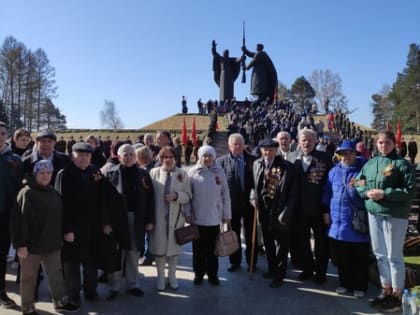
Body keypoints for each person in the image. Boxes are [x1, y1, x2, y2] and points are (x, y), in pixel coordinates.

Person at [356, 131, 416, 312]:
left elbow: (409, 191)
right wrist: (366, 192)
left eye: (387, 143)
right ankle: (386, 289)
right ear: (376, 144)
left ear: (394, 144)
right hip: (374, 213)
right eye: (380, 143)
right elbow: (359, 182)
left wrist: (385, 194)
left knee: (394, 256)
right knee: (380, 254)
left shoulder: (401, 164)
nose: (383, 146)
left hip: (394, 215)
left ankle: (397, 294)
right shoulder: (370, 163)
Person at [12, 160, 79, 314]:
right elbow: (19, 221)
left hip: (52, 244)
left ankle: (60, 302)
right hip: (31, 246)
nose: (45, 176)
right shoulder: (26, 193)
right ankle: (27, 307)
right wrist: (20, 244)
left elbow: (60, 215)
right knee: (29, 278)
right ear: (35, 173)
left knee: (56, 275)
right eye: (42, 172)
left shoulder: (52, 191)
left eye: (48, 173)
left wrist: (66, 232)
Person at [54, 142, 108, 306]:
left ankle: (90, 290)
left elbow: (103, 198)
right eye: (80, 155)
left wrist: (105, 222)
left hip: (93, 227)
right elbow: (61, 204)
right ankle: (73, 294)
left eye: (87, 155)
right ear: (72, 156)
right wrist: (67, 229)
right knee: (72, 265)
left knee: (91, 262)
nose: (84, 158)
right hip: (73, 228)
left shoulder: (95, 171)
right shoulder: (65, 174)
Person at [101, 144, 155, 300]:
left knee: (133, 252)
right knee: (117, 253)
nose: (129, 157)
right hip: (116, 220)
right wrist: (106, 222)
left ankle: (133, 284)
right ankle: (114, 287)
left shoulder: (143, 174)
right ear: (119, 156)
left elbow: (150, 200)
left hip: (136, 219)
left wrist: (149, 220)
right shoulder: (110, 174)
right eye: (126, 154)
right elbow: (103, 201)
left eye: (132, 154)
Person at [322, 141, 370, 298]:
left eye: (349, 153)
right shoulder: (333, 172)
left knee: (359, 257)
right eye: (342, 153)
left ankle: (360, 286)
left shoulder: (363, 171)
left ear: (355, 154)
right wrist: (325, 211)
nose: (346, 156)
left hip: (356, 221)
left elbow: (364, 194)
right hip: (337, 222)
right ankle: (345, 283)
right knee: (342, 256)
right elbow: (327, 192)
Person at [250, 139, 298, 288]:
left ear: (276, 150)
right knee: (268, 242)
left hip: (279, 210)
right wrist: (253, 196)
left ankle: (279, 275)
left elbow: (293, 193)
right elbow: (254, 184)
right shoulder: (257, 164)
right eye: (264, 149)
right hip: (263, 210)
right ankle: (272, 269)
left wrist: (286, 211)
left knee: (281, 245)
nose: (267, 152)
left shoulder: (286, 166)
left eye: (271, 149)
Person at [292, 128, 332, 284]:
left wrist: (326, 209)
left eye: (309, 139)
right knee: (303, 241)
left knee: (321, 243)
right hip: (300, 210)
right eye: (303, 140)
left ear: (315, 141)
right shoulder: (294, 159)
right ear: (299, 142)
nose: (306, 142)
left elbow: (329, 186)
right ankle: (307, 269)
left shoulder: (325, 158)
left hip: (319, 209)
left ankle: (320, 272)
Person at [149, 146, 192, 290]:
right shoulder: (154, 173)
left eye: (170, 157)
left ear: (175, 158)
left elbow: (188, 195)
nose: (167, 160)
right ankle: (160, 277)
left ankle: (172, 276)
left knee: (174, 251)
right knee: (160, 251)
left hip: (176, 218)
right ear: (160, 159)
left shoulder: (182, 174)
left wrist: (177, 196)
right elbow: (148, 198)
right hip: (159, 219)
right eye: (164, 157)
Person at [188, 145, 231, 285]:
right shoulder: (193, 172)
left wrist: (226, 214)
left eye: (210, 156)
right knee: (198, 249)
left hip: (214, 217)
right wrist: (187, 214)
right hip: (197, 218)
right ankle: (198, 274)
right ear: (200, 157)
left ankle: (213, 274)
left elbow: (225, 195)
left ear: (214, 157)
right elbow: (188, 196)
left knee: (213, 250)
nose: (207, 158)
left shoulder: (219, 172)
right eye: (204, 156)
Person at [216, 133, 257, 272]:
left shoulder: (254, 160)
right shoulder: (221, 162)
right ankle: (235, 262)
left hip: (251, 204)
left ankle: (252, 261)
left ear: (244, 145)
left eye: (240, 143)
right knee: (233, 234)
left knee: (251, 234)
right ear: (229, 146)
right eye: (235, 144)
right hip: (232, 205)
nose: (238, 146)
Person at [0, 121, 24, 309]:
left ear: (7, 136)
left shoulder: (15, 160)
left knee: (1, 254)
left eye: (2, 133)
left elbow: (20, 187)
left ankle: (1, 292)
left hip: (6, 214)